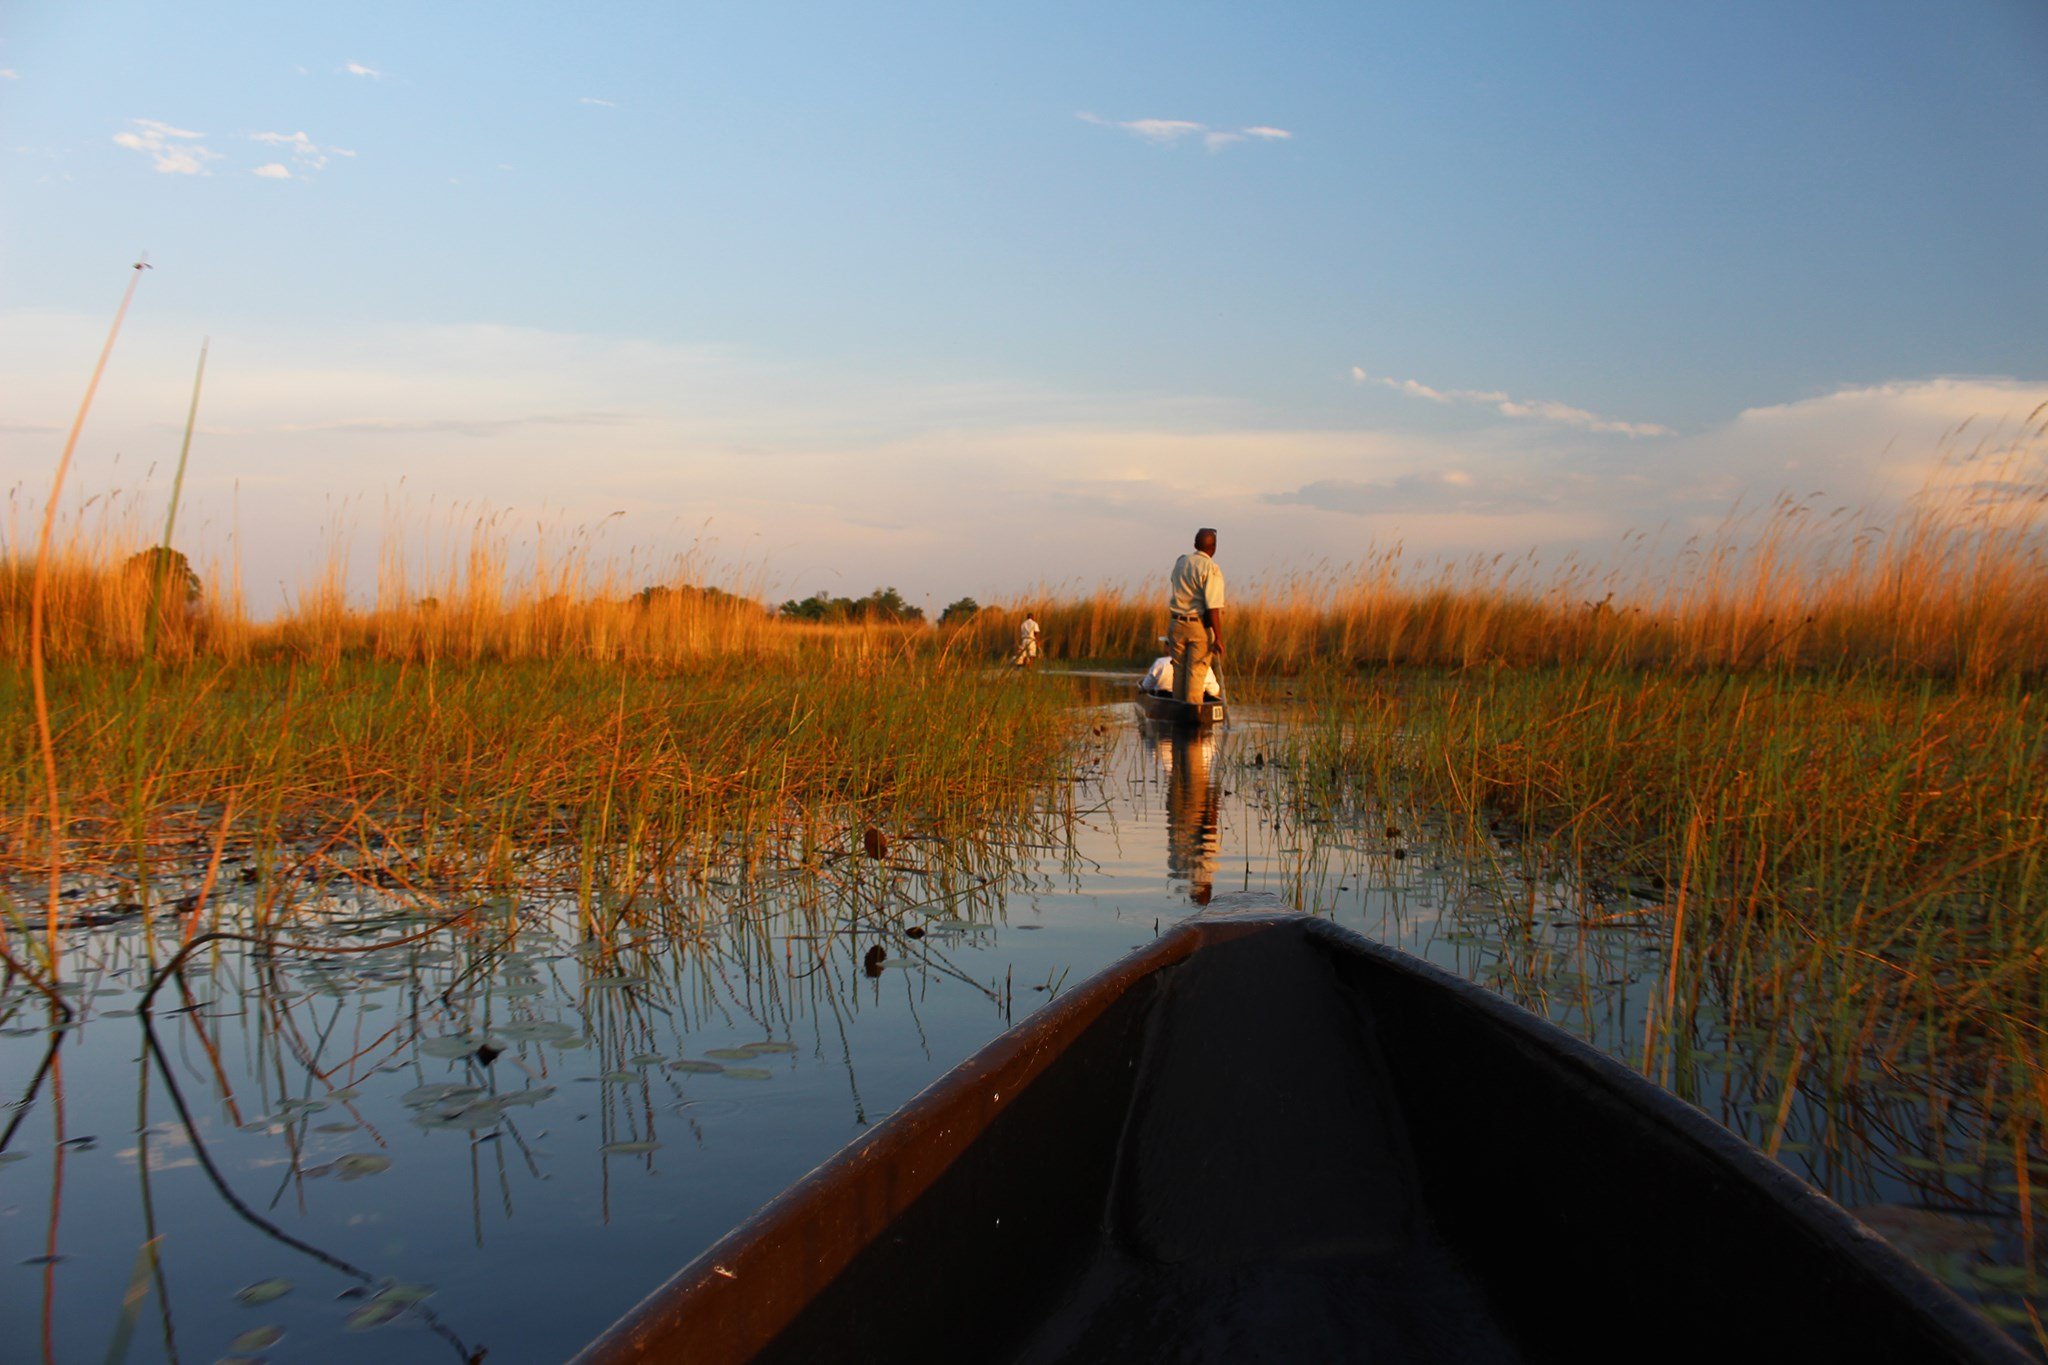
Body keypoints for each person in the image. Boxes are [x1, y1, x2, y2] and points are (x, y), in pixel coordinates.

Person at [1165, 528, 1224, 704]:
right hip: (1197, 627)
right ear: (1213, 548)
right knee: (1196, 674)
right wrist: (1218, 637)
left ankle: (1177, 713)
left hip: (1176, 624)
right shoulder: (1211, 568)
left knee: (1179, 673)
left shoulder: (1181, 562)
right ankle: (1192, 720)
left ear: (1195, 545)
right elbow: (1213, 607)